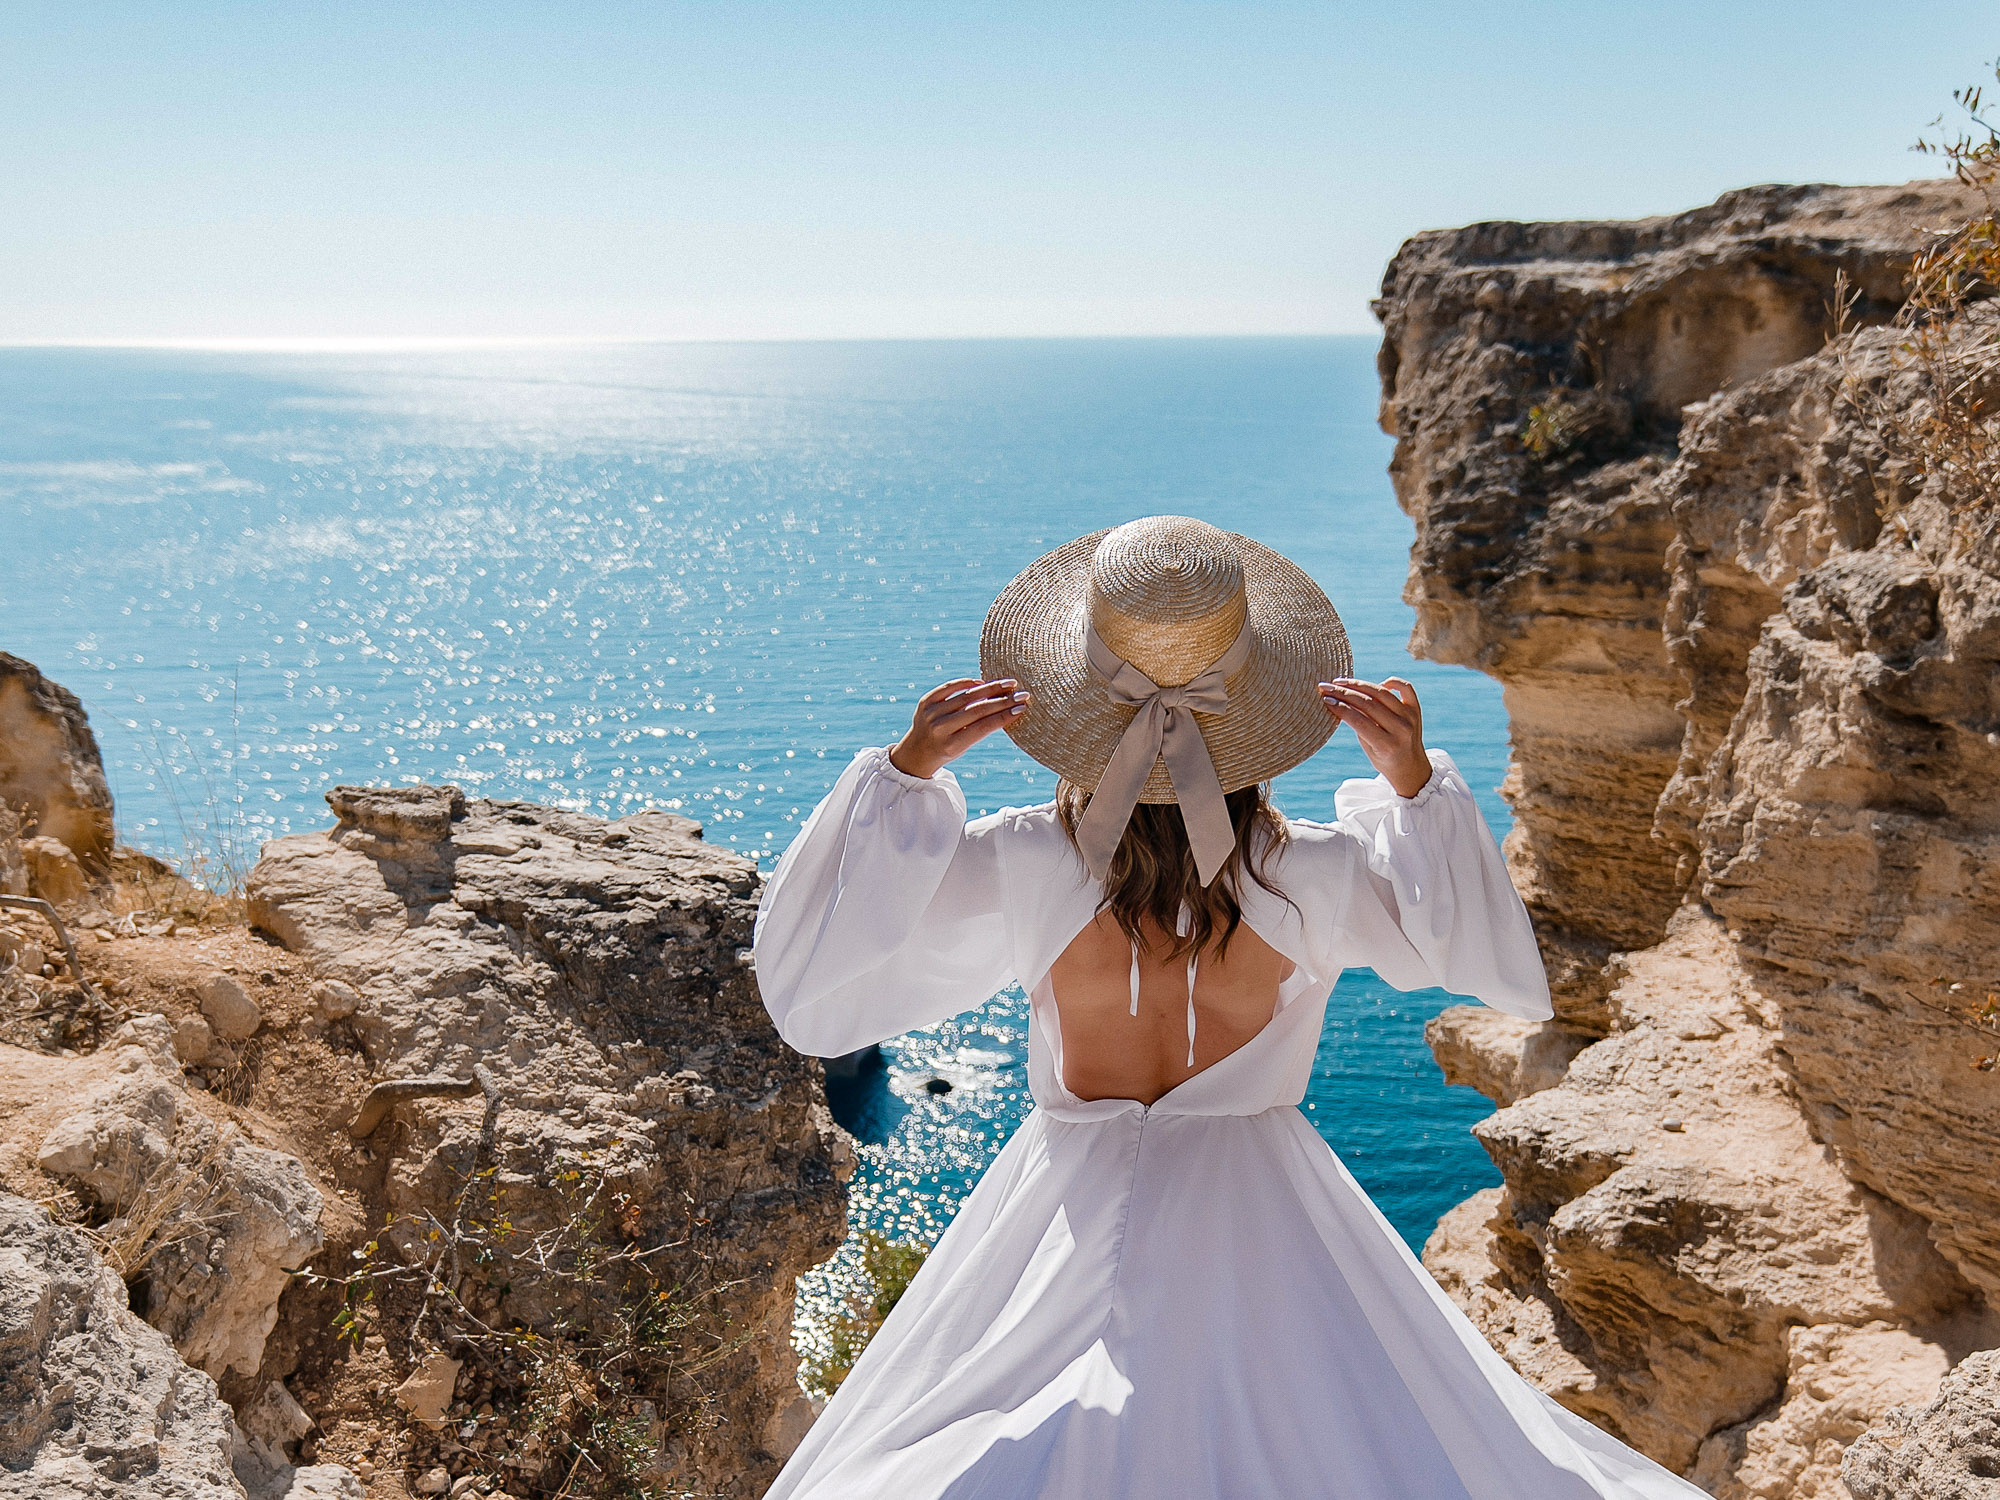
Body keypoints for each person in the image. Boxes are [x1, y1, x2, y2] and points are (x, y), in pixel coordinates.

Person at [753, 517, 1706, 1498]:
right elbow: (1468, 944)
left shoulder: (1026, 862)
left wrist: (900, 778)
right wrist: (1415, 785)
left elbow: (824, 974)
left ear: (1077, 713)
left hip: (1060, 1199)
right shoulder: (1321, 877)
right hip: (1265, 1201)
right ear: (1262, 720)